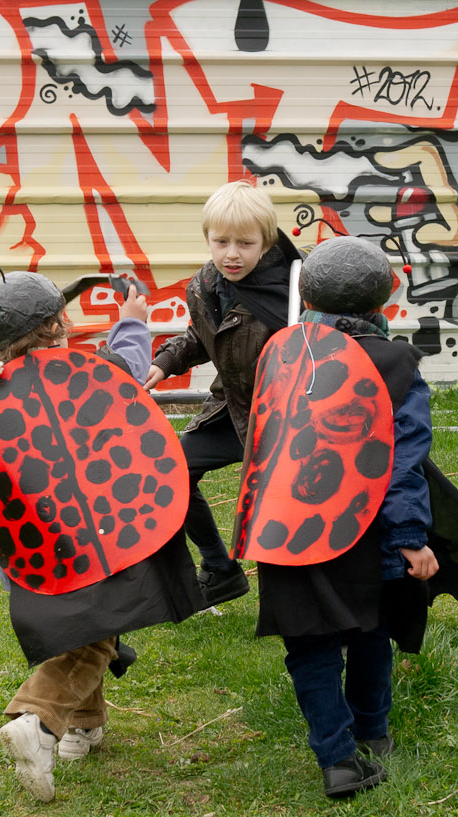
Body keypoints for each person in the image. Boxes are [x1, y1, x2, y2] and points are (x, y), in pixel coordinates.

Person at [0, 270, 202, 802]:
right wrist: (132, 323)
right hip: (108, 536)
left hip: (35, 556)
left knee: (86, 625)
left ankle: (82, 729)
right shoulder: (96, 372)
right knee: (99, 627)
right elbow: (132, 367)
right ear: (56, 327)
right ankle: (40, 719)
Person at [249, 236, 441, 798]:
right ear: (384, 300)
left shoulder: (281, 352)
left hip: (286, 529)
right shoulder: (397, 362)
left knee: (309, 643)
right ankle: (373, 735)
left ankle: (336, 758)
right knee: (369, 631)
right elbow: (404, 457)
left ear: (305, 294)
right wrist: (409, 535)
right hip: (364, 534)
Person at [144, 180, 306, 607]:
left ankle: (298, 600)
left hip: (288, 421)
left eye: (244, 243)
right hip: (233, 411)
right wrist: (164, 362)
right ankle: (220, 568)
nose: (231, 253)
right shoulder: (207, 283)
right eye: (221, 242)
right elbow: (204, 335)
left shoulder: (294, 291)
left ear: (266, 241)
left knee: (281, 510)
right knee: (173, 472)